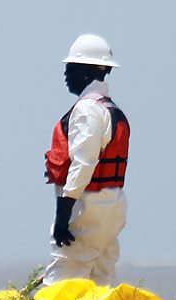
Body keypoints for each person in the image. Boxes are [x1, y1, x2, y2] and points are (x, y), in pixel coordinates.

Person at [41, 34, 129, 286]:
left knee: (60, 283)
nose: (65, 74)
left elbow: (83, 163)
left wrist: (63, 215)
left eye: (71, 67)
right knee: (101, 280)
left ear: (88, 71)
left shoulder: (87, 110)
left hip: (86, 209)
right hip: (112, 207)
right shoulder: (110, 109)